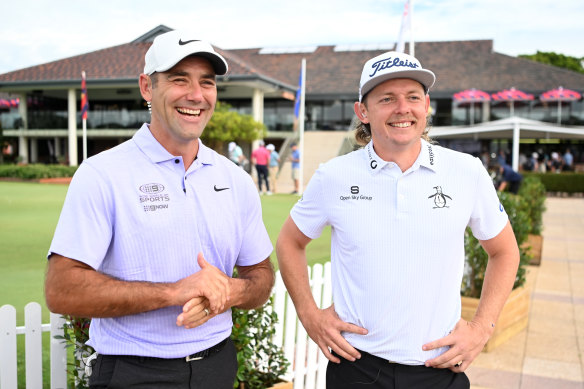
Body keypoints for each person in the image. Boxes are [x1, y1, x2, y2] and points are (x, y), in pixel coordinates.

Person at [44, 30, 275, 389]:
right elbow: (62, 290)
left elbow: (261, 276)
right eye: (179, 79)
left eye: (207, 82)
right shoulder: (102, 174)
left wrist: (228, 292)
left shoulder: (236, 179)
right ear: (147, 87)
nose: (196, 95)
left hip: (217, 366)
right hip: (133, 374)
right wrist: (173, 292)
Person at [276, 51, 520, 389]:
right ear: (363, 111)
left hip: (439, 371)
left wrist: (482, 328)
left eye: (413, 97)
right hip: (356, 369)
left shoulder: (466, 171)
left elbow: (505, 251)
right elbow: (290, 241)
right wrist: (309, 314)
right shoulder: (333, 176)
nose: (402, 108)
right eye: (387, 98)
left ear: (426, 105)